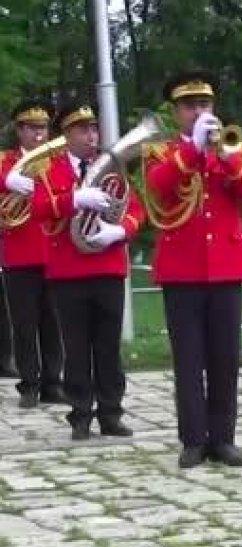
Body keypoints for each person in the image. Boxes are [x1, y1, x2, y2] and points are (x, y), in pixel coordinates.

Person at [144, 70, 242, 468]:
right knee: (189, 359)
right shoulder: (161, 153)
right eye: (190, 106)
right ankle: (193, 439)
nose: (199, 112)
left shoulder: (233, 148)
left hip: (226, 265)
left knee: (225, 358)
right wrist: (192, 152)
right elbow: (158, 187)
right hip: (182, 268)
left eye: (205, 104)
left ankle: (224, 438)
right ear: (176, 112)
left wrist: (228, 160)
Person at [31, 101, 142, 440]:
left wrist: (121, 230)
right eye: (83, 130)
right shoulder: (49, 170)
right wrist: (74, 201)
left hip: (108, 267)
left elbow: (135, 208)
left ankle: (111, 413)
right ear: (66, 135)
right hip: (67, 272)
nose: (92, 135)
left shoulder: (111, 167)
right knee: (76, 348)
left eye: (94, 128)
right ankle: (80, 414)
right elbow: (36, 208)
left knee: (108, 347)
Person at [0, 99, 66, 408]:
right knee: (24, 323)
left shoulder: (57, 161)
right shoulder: (6, 160)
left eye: (43, 128)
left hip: (52, 252)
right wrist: (9, 179)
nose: (40, 135)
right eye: (33, 129)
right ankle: (29, 384)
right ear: (20, 130)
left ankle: (53, 383)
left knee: (53, 322)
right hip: (19, 254)